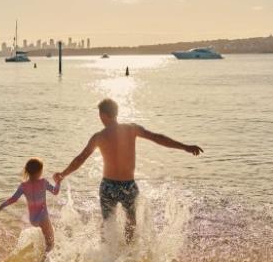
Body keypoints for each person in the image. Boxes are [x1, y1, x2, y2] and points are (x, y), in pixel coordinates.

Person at [53, 98, 203, 243]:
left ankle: (106, 257)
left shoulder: (99, 137)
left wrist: (63, 174)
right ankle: (128, 254)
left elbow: (81, 158)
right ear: (116, 113)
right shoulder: (131, 129)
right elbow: (158, 138)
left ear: (103, 115)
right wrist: (185, 147)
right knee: (131, 223)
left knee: (107, 223)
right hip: (128, 186)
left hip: (108, 186)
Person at [0, 158, 61, 252]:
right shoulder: (43, 182)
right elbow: (55, 192)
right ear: (40, 171)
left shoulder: (23, 186)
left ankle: (37, 251)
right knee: (51, 243)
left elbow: (13, 199)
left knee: (45, 237)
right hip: (42, 217)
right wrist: (58, 182)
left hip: (33, 219)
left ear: (27, 171)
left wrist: (2, 205)